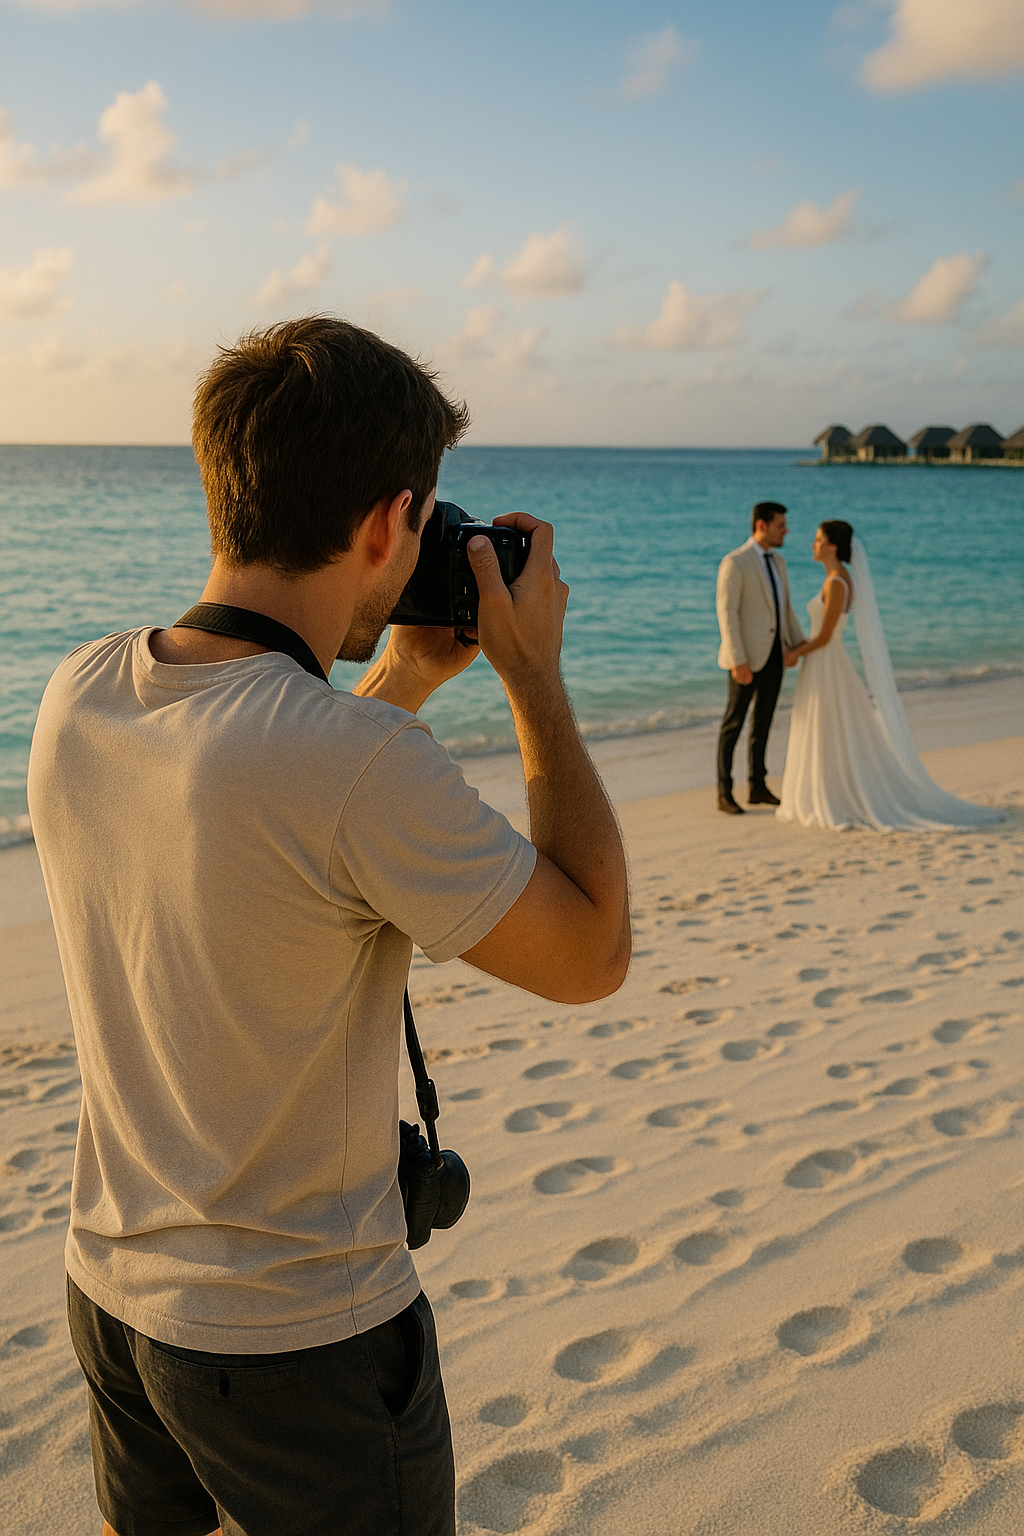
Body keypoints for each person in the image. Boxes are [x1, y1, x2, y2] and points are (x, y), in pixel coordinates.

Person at [26, 316, 630, 1536]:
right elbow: (591, 957)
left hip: (114, 1292)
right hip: (302, 1342)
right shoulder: (354, 765)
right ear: (385, 524)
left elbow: (262, 791)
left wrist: (404, 675)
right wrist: (533, 676)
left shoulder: (80, 688)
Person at [777, 519, 1001, 831]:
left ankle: (837, 795)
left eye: (817, 540)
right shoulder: (834, 578)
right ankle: (829, 790)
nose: (813, 545)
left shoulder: (837, 582)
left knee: (831, 726)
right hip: (820, 663)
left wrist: (794, 652)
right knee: (826, 727)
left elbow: (826, 635)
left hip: (827, 662)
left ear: (832, 546)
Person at [715, 501, 804, 814]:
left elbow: (786, 608)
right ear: (762, 525)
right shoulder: (735, 562)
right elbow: (727, 614)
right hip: (745, 660)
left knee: (763, 725)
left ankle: (758, 786)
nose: (786, 530)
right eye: (781, 525)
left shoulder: (778, 561)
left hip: (775, 656)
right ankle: (724, 792)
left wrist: (800, 645)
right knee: (733, 725)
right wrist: (738, 659)